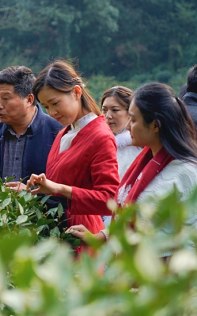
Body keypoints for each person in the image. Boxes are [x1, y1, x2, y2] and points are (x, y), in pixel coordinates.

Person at [67, 83, 197, 252]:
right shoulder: (146, 163)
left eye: (134, 120)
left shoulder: (186, 173)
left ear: (155, 125)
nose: (128, 127)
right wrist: (100, 236)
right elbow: (129, 218)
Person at [18, 60, 120, 252]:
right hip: (56, 234)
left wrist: (61, 188)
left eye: (55, 103)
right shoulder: (64, 132)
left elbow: (110, 199)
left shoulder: (100, 136)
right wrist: (31, 191)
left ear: (76, 92)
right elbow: (57, 187)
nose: (52, 112)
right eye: (46, 106)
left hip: (80, 236)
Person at [101, 86, 143, 179]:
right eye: (104, 110)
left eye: (115, 110)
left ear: (130, 113)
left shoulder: (137, 149)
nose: (108, 116)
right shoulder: (97, 144)